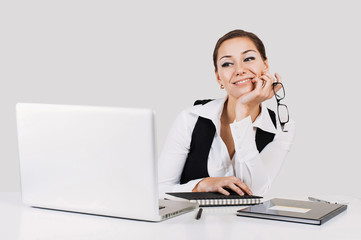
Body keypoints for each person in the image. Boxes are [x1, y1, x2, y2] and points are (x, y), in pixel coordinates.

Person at [158, 29, 295, 197]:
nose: (239, 70)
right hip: (189, 222)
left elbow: (256, 191)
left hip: (248, 223)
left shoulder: (282, 127)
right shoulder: (190, 119)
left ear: (265, 65)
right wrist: (200, 185)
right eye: (227, 64)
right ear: (218, 78)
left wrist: (243, 111)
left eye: (249, 59)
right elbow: (158, 191)